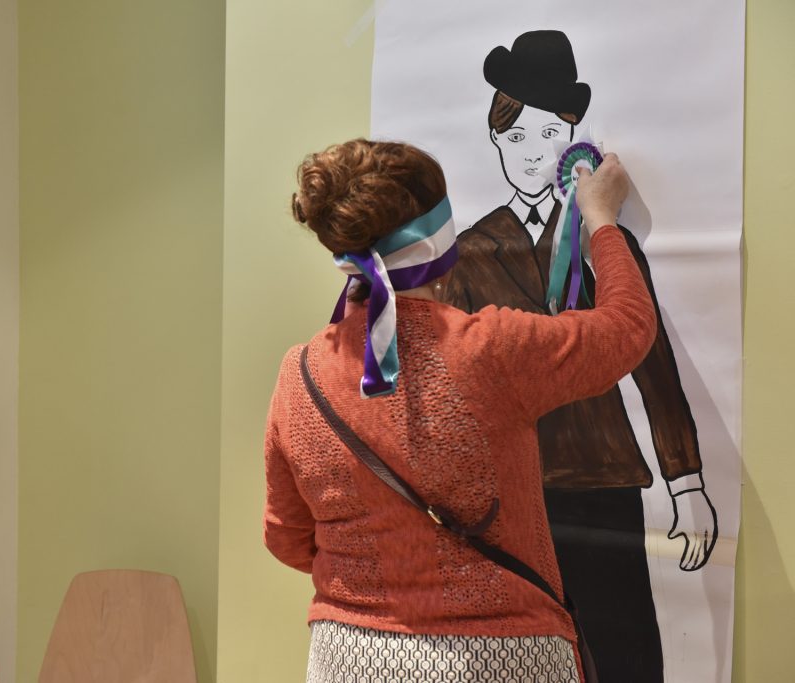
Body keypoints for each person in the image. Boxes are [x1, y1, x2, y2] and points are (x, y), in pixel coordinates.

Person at [264, 138, 655, 682]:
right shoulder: (487, 351)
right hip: (497, 658)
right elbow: (627, 329)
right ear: (440, 247)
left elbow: (286, 538)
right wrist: (601, 218)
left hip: (346, 659)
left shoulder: (299, 373)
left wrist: (388, 567)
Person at [446, 30, 718, 682]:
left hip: (605, 480)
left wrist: (688, 481)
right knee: (516, 661)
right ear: (493, 141)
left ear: (572, 137)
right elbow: (448, 384)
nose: (532, 155)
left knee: (625, 658)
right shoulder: (470, 251)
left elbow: (654, 367)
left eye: (547, 135)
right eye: (515, 138)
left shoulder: (607, 240)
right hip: (510, 490)